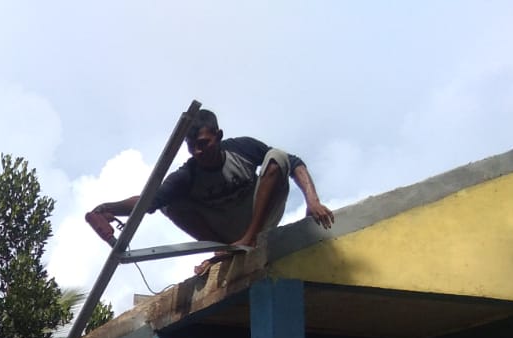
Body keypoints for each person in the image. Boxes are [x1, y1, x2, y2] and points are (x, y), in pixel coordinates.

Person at [85, 108, 334, 275]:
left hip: (260, 218)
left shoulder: (242, 148)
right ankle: (224, 248)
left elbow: (293, 162)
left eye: (203, 144)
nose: (198, 152)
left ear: (218, 136)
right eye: (192, 147)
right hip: (226, 233)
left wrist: (312, 201)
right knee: (170, 203)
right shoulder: (188, 175)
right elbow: (147, 201)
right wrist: (107, 208)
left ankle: (248, 238)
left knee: (277, 157)